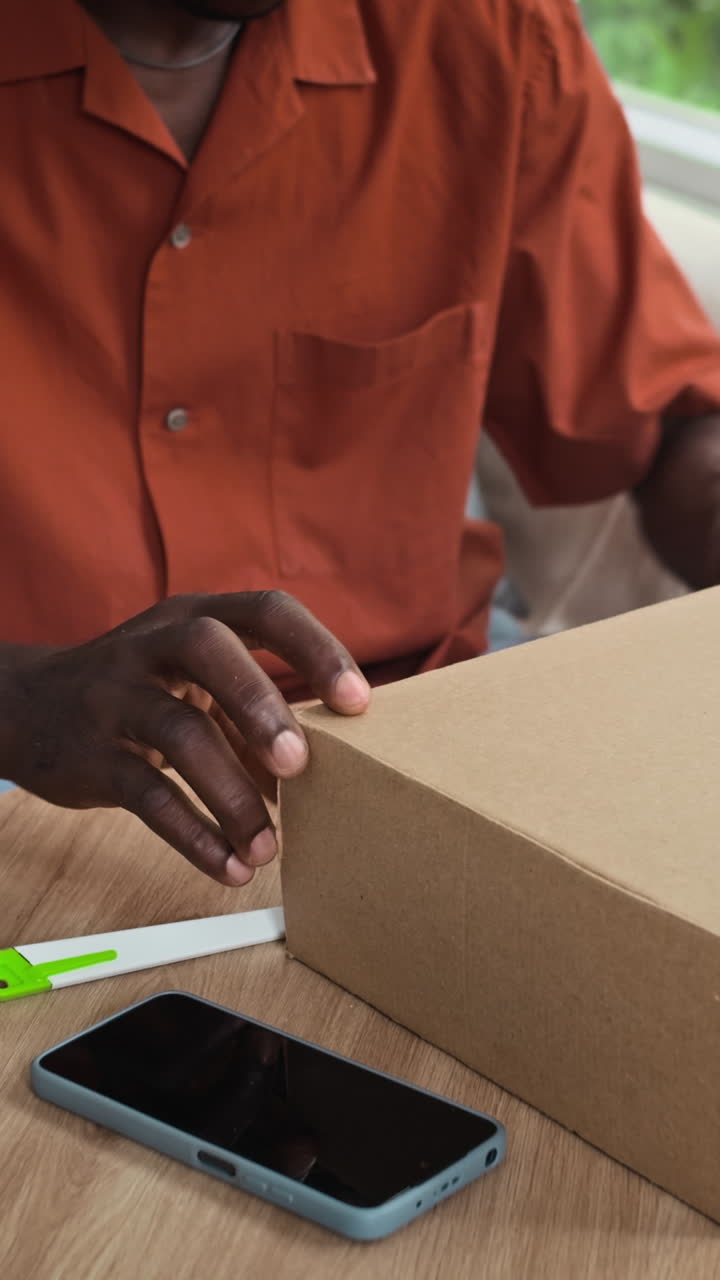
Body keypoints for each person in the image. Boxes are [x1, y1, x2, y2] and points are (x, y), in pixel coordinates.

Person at [1, 0, 718, 885]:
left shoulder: (487, 34)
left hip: (414, 744)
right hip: (26, 784)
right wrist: (13, 704)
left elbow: (664, 418)